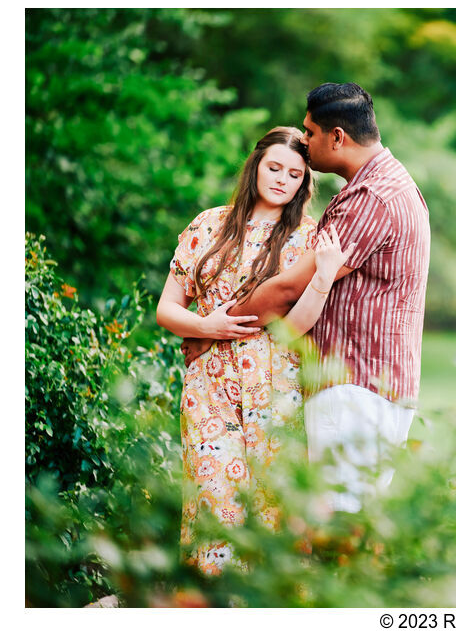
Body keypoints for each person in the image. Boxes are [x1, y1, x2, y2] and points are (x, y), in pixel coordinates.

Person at [183, 83, 430, 513]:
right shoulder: (388, 185)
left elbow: (287, 288)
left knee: (337, 524)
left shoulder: (371, 198)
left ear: (337, 137)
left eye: (310, 132)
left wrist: (212, 333)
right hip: (373, 386)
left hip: (356, 387)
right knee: (346, 521)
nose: (305, 141)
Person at [156, 126, 353, 575]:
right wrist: (207, 325)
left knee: (272, 506)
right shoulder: (208, 225)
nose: (282, 179)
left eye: (295, 174)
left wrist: (322, 276)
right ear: (256, 166)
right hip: (209, 388)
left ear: (305, 183)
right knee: (214, 499)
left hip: (277, 391)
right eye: (274, 167)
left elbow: (296, 325)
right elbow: (167, 309)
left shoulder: (308, 238)